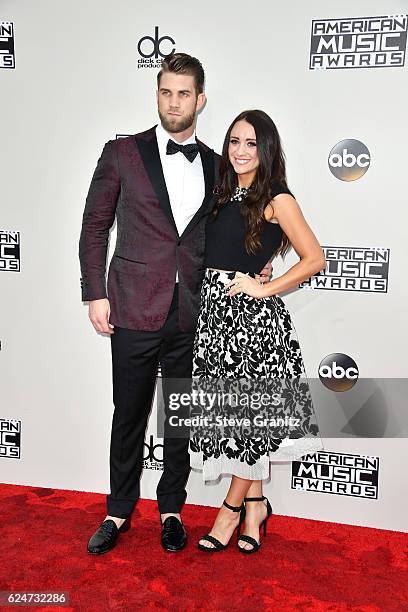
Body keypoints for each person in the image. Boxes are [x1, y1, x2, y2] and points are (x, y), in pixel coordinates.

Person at [79, 53, 271, 554]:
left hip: (193, 311)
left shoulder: (217, 164)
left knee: (181, 417)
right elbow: (94, 228)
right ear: (157, 94)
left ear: (200, 100)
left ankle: (171, 510)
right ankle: (118, 511)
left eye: (184, 93)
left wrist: (259, 265)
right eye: (166, 92)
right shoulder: (122, 152)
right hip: (132, 307)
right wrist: (95, 294)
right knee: (129, 413)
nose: (174, 102)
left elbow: (234, 231)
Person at [189, 109, 326, 554]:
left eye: (251, 143)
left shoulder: (277, 197)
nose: (241, 151)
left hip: (252, 326)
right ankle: (256, 507)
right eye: (234, 142)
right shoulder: (222, 193)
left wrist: (264, 288)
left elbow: (314, 259)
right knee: (235, 419)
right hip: (214, 321)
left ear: (266, 149)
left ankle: (229, 513)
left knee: (250, 423)